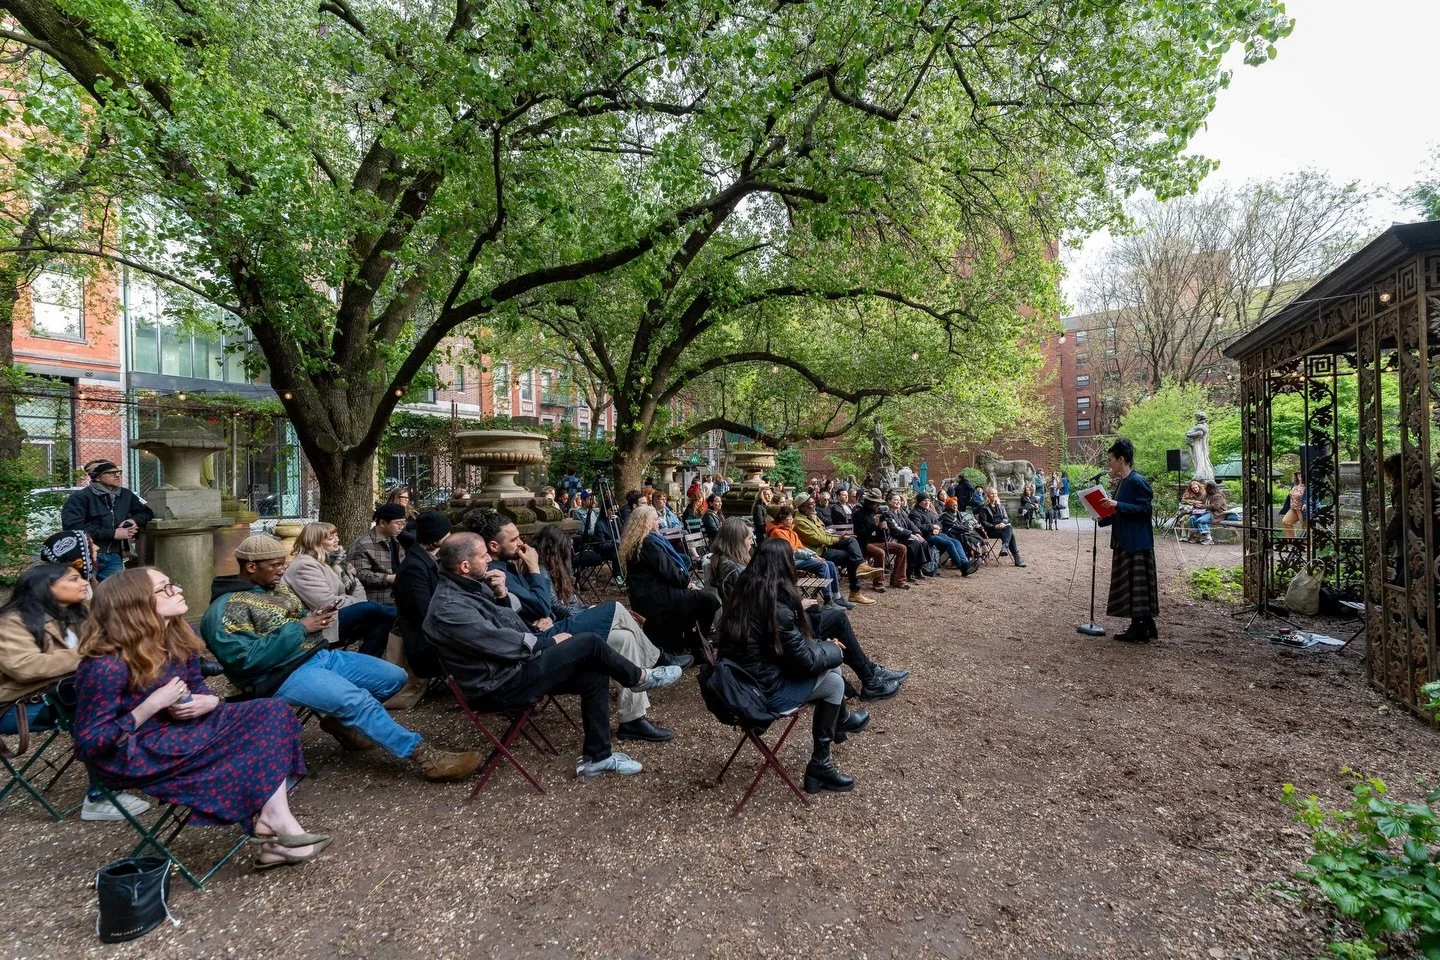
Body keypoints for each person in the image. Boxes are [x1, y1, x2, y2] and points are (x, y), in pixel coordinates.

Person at [75, 568, 328, 870]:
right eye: (165, 588)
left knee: (272, 712)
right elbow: (89, 745)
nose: (178, 591)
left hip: (185, 728)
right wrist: (150, 706)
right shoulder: (105, 666)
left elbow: (197, 688)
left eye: (173, 583)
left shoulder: (179, 636)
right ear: (135, 604)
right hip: (136, 750)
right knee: (251, 743)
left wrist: (208, 701)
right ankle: (277, 828)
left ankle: (274, 822)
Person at [202, 535, 480, 781]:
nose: (282, 570)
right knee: (356, 701)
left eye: (281, 563)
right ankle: (425, 757)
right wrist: (301, 628)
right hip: (280, 675)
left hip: (317, 655)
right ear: (251, 567)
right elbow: (244, 662)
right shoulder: (224, 609)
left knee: (393, 677)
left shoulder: (275, 588)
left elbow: (297, 622)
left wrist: (316, 620)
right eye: (274, 565)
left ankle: (341, 722)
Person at [424, 533, 681, 777]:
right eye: (483, 556)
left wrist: (502, 597)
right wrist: (546, 644)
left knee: (594, 670)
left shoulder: (469, 587)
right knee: (589, 643)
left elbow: (506, 625)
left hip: (512, 667)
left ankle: (598, 757)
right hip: (499, 684)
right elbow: (497, 641)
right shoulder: (449, 608)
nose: (489, 560)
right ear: (465, 566)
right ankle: (639, 677)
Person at [715, 540, 871, 794]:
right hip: (762, 693)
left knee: (830, 666)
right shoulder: (775, 606)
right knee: (834, 680)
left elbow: (787, 651)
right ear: (785, 565)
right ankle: (821, 763)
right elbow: (804, 662)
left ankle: (839, 724)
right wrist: (833, 649)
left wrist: (822, 647)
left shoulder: (745, 592)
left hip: (743, 680)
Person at [0, 563, 151, 822]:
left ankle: (146, 767)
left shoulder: (77, 614)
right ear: (46, 587)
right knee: (97, 709)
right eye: (74, 578)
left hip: (63, 696)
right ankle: (99, 796)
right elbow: (25, 667)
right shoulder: (11, 622)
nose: (83, 582)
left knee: (133, 693)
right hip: (18, 708)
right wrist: (89, 652)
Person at [282, 523, 396, 657]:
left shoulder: (336, 562)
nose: (337, 540)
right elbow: (326, 603)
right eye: (330, 538)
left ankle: (366, 661)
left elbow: (357, 586)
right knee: (373, 609)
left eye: (336, 536)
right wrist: (358, 603)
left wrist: (357, 603)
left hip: (338, 612)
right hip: (320, 621)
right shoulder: (305, 565)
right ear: (314, 542)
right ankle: (404, 616)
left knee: (383, 619)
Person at [622, 506, 723, 654]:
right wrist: (687, 583)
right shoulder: (649, 542)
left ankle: (690, 639)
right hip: (657, 598)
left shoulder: (639, 541)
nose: (659, 522)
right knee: (709, 600)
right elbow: (670, 572)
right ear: (646, 522)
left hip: (650, 594)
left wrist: (685, 582)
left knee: (698, 599)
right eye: (655, 519)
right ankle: (696, 644)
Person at [1097, 438, 1158, 643]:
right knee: (1132, 585)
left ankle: (1139, 628)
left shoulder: (1137, 481)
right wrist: (1102, 518)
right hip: (1126, 540)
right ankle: (1146, 625)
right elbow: (1120, 511)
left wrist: (1117, 504)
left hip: (1137, 543)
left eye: (1111, 460)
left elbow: (1145, 510)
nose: (1109, 464)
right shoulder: (1124, 482)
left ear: (1121, 459)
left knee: (1135, 586)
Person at [60, 460, 154, 581]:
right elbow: (73, 527)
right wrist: (113, 534)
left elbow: (146, 512)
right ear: (97, 477)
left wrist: (134, 521)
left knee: (115, 594)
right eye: (110, 473)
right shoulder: (80, 498)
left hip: (114, 555)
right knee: (87, 594)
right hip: (87, 555)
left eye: (118, 472)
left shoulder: (126, 495)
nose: (117, 475)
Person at [392, 511, 452, 683]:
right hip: (426, 644)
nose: (452, 537)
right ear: (436, 539)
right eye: (448, 535)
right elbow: (424, 613)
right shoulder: (414, 568)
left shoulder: (428, 560)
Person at [793, 493, 880, 604]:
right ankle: (854, 591)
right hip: (816, 553)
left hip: (824, 545)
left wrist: (840, 537)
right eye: (810, 504)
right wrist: (838, 538)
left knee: (851, 540)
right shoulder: (799, 522)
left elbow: (824, 533)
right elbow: (819, 539)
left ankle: (861, 566)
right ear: (802, 506)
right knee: (850, 557)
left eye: (813, 503)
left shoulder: (812, 516)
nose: (813, 505)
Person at [767, 505, 848, 607]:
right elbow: (791, 550)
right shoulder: (777, 532)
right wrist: (811, 557)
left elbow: (801, 546)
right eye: (789, 518)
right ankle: (828, 600)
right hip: (788, 560)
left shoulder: (790, 531)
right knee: (822, 565)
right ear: (781, 519)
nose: (791, 520)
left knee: (830, 564)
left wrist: (814, 555)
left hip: (798, 558)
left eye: (792, 518)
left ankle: (837, 596)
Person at [349, 504, 408, 606]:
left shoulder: (395, 540)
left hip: (399, 598)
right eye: (398, 523)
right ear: (382, 523)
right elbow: (357, 574)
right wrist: (388, 578)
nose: (401, 527)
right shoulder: (363, 544)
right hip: (377, 602)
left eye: (403, 523)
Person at [853, 488, 909, 591]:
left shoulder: (878, 513)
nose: (878, 505)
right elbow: (861, 535)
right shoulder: (858, 514)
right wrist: (873, 526)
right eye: (876, 503)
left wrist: (884, 528)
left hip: (878, 542)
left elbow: (883, 536)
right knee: (880, 552)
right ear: (871, 502)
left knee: (902, 548)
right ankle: (878, 583)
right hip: (864, 544)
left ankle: (898, 579)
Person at [908, 493, 977, 576]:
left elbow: (939, 523)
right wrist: (932, 527)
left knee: (956, 541)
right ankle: (962, 567)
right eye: (924, 500)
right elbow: (917, 527)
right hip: (925, 536)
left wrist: (938, 528)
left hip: (937, 534)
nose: (927, 502)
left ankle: (965, 563)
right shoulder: (915, 513)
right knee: (949, 543)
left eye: (928, 500)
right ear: (919, 502)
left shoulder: (930, 512)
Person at [885, 493, 935, 581]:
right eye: (895, 500)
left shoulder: (902, 513)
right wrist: (911, 534)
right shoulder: (888, 513)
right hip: (894, 538)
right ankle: (910, 571)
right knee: (914, 543)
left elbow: (910, 524)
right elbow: (895, 528)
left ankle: (918, 569)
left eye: (899, 500)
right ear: (889, 501)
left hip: (904, 536)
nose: (898, 502)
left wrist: (917, 533)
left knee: (923, 542)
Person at [976, 488, 1025, 567]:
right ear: (988, 495)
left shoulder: (1001, 506)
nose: (994, 495)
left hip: (1003, 529)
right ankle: (1016, 556)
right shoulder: (983, 507)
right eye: (992, 493)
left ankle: (1005, 548)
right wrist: (995, 526)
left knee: (1008, 528)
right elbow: (983, 523)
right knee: (1010, 532)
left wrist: (1002, 523)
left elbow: (1006, 518)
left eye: (995, 493)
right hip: (991, 530)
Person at [1189, 481, 1229, 545]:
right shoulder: (1207, 495)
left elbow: (1215, 507)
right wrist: (1196, 505)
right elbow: (1202, 503)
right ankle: (1196, 536)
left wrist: (1202, 506)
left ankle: (1209, 538)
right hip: (1206, 512)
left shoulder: (1218, 496)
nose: (1204, 488)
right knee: (1192, 518)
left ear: (1210, 488)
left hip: (1217, 514)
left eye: (1206, 487)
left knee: (1201, 520)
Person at [1281, 472, 1308, 540]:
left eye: (1301, 473)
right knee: (1286, 522)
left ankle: (1307, 546)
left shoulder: (1308, 485)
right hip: (1293, 508)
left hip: (1302, 509)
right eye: (1298, 473)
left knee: (1305, 527)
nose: (1300, 475)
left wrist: (1306, 503)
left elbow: (1311, 496)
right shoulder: (1295, 484)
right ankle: (1292, 541)